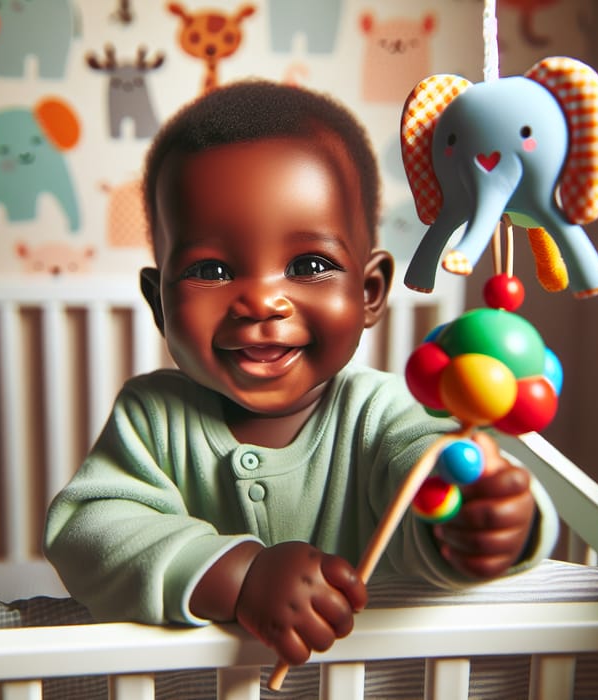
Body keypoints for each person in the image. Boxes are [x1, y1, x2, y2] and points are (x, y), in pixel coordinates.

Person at [44, 80, 558, 669]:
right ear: (159, 303)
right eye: (211, 269)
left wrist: (479, 517)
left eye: (309, 264)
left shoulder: (381, 413)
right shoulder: (151, 418)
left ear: (369, 292)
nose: (262, 302)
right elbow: (89, 529)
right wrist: (240, 576)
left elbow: (426, 465)